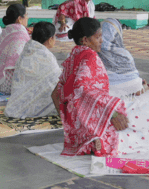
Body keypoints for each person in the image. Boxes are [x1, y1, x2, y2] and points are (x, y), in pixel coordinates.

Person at [51, 17, 142, 157]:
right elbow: (83, 89)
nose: (102, 41)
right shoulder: (91, 57)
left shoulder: (74, 55)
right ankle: (101, 140)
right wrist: (112, 112)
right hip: (86, 115)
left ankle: (89, 137)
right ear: (85, 40)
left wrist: (68, 122)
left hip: (76, 119)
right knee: (137, 118)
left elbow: (56, 92)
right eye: (98, 37)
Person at [4, 22, 61, 118]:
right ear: (50, 38)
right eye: (54, 37)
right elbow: (56, 81)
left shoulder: (28, 49)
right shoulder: (45, 55)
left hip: (18, 100)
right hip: (33, 103)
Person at [99, 18, 148, 98]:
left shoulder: (94, 50)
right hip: (131, 87)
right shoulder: (125, 54)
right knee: (139, 84)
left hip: (105, 89)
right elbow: (132, 75)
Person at [0, 4, 30, 93]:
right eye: (26, 15)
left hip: (0, 82)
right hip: (13, 85)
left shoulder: (6, 31)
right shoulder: (21, 32)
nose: (27, 17)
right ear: (19, 18)